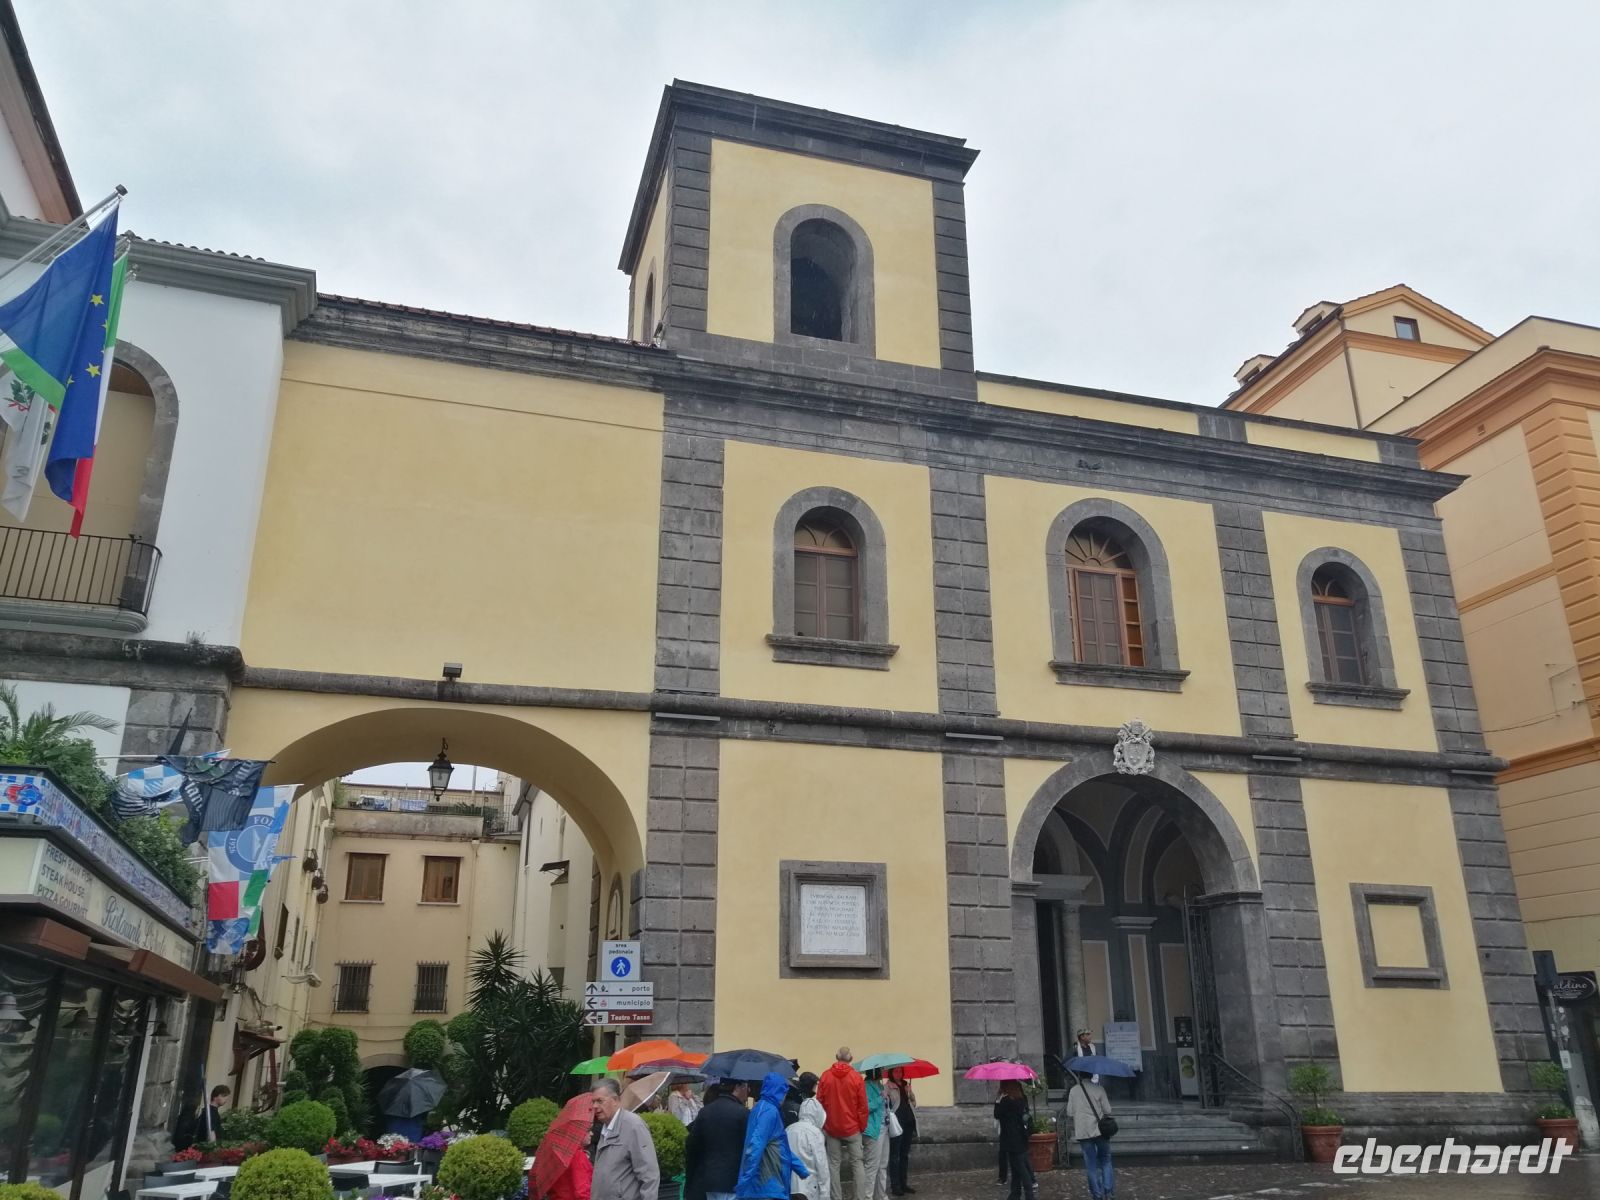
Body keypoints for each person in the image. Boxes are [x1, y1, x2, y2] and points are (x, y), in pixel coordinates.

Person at [736, 1072, 807, 1200]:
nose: (784, 1098)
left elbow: (780, 1146)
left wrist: (800, 1168)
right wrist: (744, 1182)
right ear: (778, 1092)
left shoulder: (762, 1109)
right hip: (766, 1184)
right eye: (784, 1093)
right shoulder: (769, 1112)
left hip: (767, 1183)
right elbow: (755, 1146)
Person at [591, 1078, 660, 1200]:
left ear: (615, 1100)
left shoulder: (633, 1126)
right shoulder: (605, 1127)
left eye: (600, 1101)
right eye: (593, 1102)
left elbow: (649, 1175)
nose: (595, 1106)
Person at [816, 1048, 868, 1200]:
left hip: (832, 1128)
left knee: (833, 1164)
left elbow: (820, 1103)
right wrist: (861, 1126)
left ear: (836, 1057)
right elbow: (863, 1106)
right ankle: (859, 1197)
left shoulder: (825, 1076)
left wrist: (825, 1124)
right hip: (852, 1128)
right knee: (857, 1164)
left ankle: (836, 1197)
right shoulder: (856, 1077)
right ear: (850, 1059)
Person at [686, 1081, 750, 1200]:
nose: (748, 1091)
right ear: (737, 1087)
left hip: (709, 1179)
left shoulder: (705, 1111)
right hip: (733, 1180)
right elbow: (750, 1147)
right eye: (746, 1086)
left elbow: (692, 1145)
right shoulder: (743, 1113)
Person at [1065, 1075, 1115, 1200]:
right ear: (1092, 1075)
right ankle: (1108, 1191)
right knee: (1105, 1160)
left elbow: (1069, 1112)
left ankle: (1096, 1194)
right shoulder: (1099, 1089)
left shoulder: (1074, 1090)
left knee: (1091, 1164)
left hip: (1083, 1132)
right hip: (1100, 1131)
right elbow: (1108, 1110)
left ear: (1080, 1075)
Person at [785, 1083, 830, 1200]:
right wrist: (825, 1195)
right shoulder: (815, 1133)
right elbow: (822, 1167)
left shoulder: (789, 1129)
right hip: (809, 1188)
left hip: (788, 1186)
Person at [993, 1081, 1034, 1200]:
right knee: (1016, 1169)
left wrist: (997, 1100)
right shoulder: (1021, 1099)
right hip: (1021, 1137)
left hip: (1011, 1139)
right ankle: (1014, 1194)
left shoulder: (1006, 1101)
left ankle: (1029, 1195)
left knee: (1021, 1169)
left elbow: (997, 1114)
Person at [886, 1073, 916, 1196]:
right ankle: (895, 1186)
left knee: (904, 1155)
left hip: (908, 1122)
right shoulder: (887, 1087)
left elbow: (914, 1104)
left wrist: (910, 1094)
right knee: (895, 1156)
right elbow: (887, 1106)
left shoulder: (906, 1085)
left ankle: (904, 1184)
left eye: (900, 1070)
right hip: (897, 1125)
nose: (898, 1073)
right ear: (891, 1073)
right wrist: (887, 1098)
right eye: (896, 1071)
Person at [862, 1072, 888, 1200]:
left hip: (884, 1128)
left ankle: (881, 1195)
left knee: (882, 1165)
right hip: (872, 1130)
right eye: (881, 1069)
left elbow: (884, 1107)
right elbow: (866, 1107)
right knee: (872, 1167)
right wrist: (880, 1098)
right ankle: (867, 1197)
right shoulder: (865, 1086)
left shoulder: (880, 1085)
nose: (883, 1072)